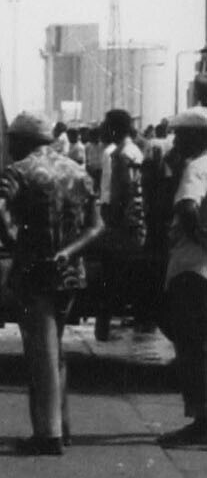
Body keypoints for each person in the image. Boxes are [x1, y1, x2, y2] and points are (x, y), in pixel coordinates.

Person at [0, 111, 104, 456]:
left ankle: (48, 435)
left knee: (41, 352)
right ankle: (61, 427)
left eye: (12, 141)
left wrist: (13, 244)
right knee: (55, 350)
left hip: (34, 270)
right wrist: (68, 252)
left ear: (22, 141)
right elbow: (97, 227)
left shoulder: (19, 171)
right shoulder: (77, 171)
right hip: (70, 272)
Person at [155, 108, 207, 446]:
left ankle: (202, 422)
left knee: (192, 348)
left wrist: (201, 238)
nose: (175, 142)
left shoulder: (197, 167)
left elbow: (187, 207)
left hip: (192, 269)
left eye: (182, 135)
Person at [94, 109, 149, 341]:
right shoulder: (134, 151)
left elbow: (121, 194)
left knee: (106, 274)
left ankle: (103, 327)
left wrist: (109, 224)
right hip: (135, 224)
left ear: (115, 128)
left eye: (106, 125)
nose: (102, 129)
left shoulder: (121, 155)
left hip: (124, 227)